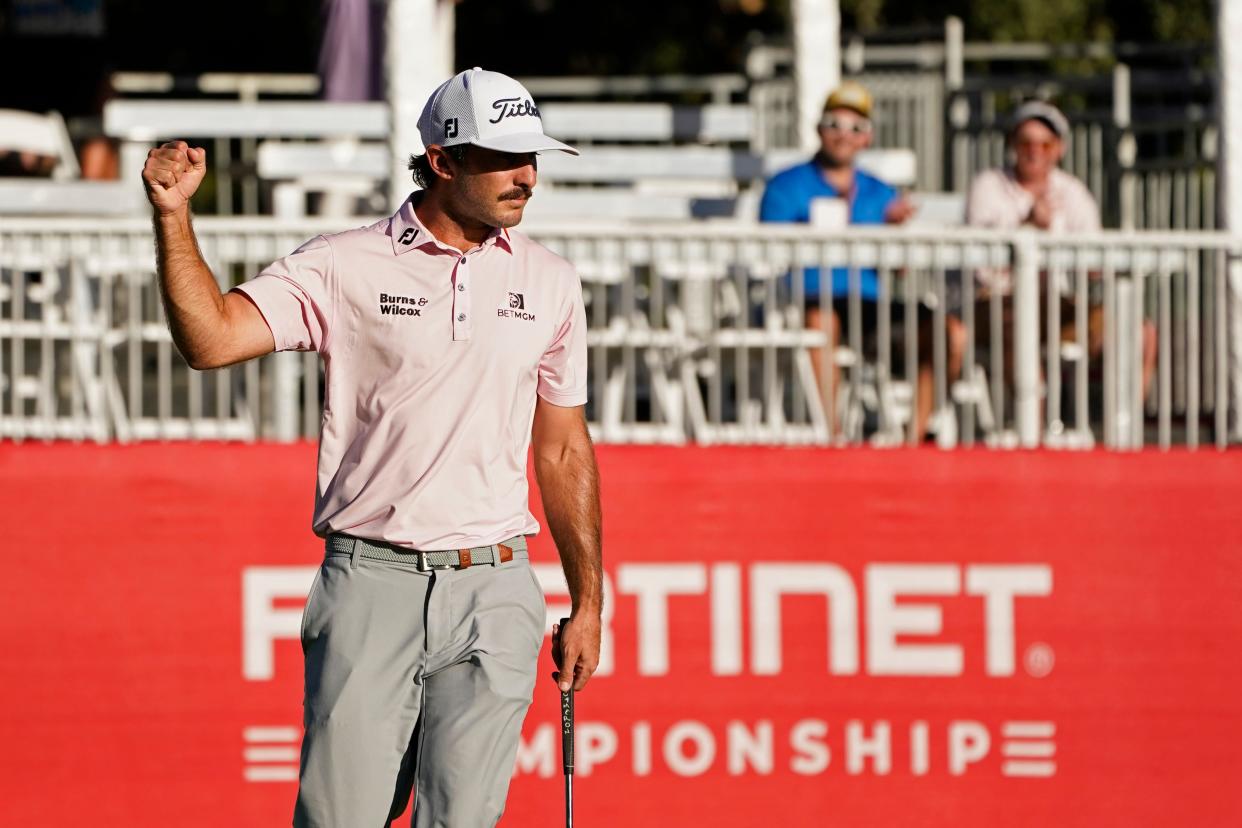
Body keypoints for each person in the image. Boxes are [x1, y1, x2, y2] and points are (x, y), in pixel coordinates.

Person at [141, 67, 602, 827]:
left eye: (533, 158)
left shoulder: (552, 281)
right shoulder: (341, 263)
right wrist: (172, 218)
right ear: (443, 160)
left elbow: (562, 450)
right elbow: (211, 339)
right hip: (370, 582)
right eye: (504, 158)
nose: (527, 178)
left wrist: (588, 601)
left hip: (497, 589)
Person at [760, 80, 965, 441]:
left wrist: (897, 236)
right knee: (820, 319)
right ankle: (833, 438)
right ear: (819, 129)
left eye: (856, 127)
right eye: (834, 124)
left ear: (867, 138)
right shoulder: (784, 186)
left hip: (871, 306)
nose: (844, 134)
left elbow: (900, 267)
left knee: (951, 333)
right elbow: (768, 252)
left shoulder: (880, 191)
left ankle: (913, 440)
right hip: (808, 298)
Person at [966, 100, 1157, 403]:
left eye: (1045, 144)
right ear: (1012, 145)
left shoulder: (1073, 191)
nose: (1035, 151)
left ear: (1059, 149)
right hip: (996, 307)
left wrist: (1099, 267)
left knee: (1139, 332)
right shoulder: (988, 186)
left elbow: (1093, 258)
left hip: (1059, 306)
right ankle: (1033, 439)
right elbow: (982, 269)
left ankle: (1123, 433)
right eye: (1027, 142)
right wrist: (1027, 224)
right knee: (1018, 325)